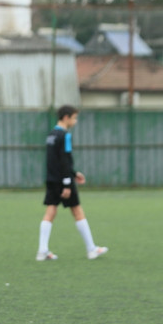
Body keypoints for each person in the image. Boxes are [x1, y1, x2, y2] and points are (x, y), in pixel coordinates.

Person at [37, 105, 107, 261]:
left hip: (52, 179)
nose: (75, 121)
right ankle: (91, 249)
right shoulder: (65, 135)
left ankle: (42, 251)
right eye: (75, 118)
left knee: (50, 212)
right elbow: (64, 160)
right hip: (63, 181)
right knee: (77, 211)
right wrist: (68, 183)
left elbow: (54, 161)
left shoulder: (51, 135)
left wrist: (74, 174)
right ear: (66, 117)